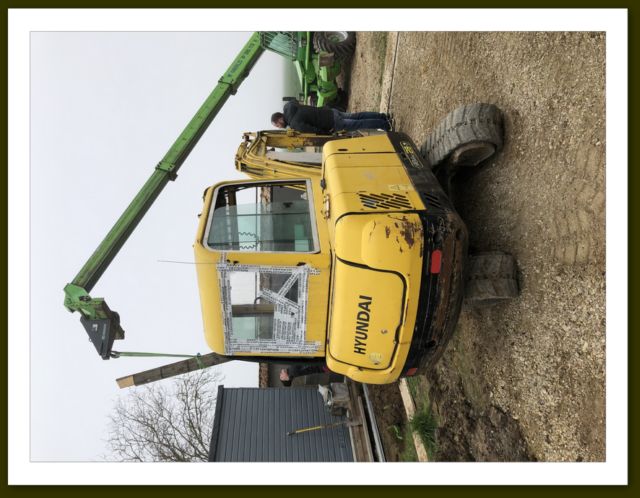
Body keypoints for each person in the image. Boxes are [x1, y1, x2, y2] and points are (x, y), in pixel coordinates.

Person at [271, 101, 392, 134]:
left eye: (277, 124)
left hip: (332, 122)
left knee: (359, 124)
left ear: (280, 119)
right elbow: (295, 102)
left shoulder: (295, 124)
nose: (279, 127)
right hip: (329, 111)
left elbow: (314, 130)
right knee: (357, 116)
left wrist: (327, 133)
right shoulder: (289, 106)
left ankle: (385, 125)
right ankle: (383, 117)